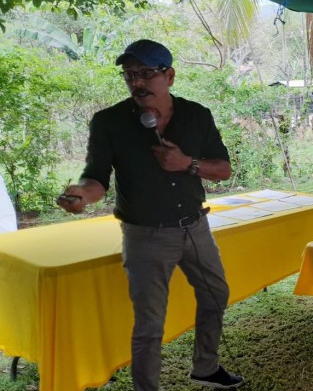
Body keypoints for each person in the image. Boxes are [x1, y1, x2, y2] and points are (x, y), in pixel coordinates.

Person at [56, 40, 243, 390]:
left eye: (145, 73)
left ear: (169, 76)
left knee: (216, 294)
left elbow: (223, 170)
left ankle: (206, 366)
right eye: (129, 75)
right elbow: (96, 179)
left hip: (195, 227)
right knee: (149, 324)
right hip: (145, 236)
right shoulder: (108, 122)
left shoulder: (196, 115)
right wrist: (83, 195)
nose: (136, 82)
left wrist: (187, 164)